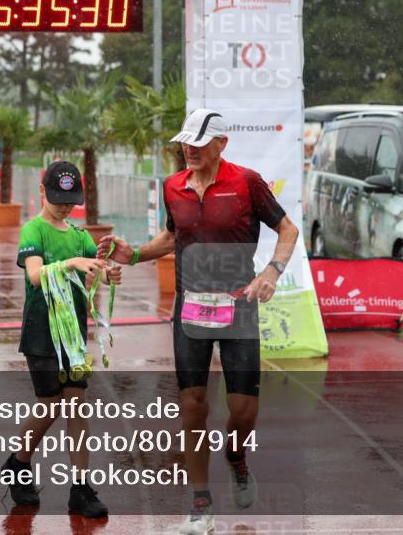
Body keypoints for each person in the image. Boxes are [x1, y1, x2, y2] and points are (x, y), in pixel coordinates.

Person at [98, 109, 300, 535]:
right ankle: (200, 505)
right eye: (185, 141)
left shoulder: (247, 182)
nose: (188, 148)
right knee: (192, 406)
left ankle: (237, 456)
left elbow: (287, 230)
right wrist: (132, 255)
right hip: (190, 308)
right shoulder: (174, 186)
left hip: (238, 305)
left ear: (221, 144)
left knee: (243, 411)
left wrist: (271, 272)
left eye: (198, 142)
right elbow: (172, 237)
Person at [0, 161, 119, 518]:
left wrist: (109, 272)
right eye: (58, 198)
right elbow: (36, 276)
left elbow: (96, 270)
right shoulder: (32, 230)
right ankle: (18, 463)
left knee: (77, 407)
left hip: (73, 337)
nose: (65, 205)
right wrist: (72, 264)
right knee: (50, 405)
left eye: (71, 199)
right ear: (42, 192)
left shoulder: (80, 235)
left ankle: (80, 488)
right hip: (41, 332)